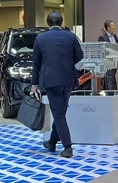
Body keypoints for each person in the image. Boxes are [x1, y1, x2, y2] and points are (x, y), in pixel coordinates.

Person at [32, 11, 84, 159]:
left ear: (47, 23)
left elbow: (36, 63)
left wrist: (34, 83)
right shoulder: (71, 36)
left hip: (50, 80)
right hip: (68, 79)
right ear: (61, 22)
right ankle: (52, 142)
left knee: (59, 114)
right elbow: (79, 55)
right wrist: (67, 63)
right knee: (60, 112)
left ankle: (67, 147)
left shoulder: (40, 39)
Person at [98, 20, 118, 90]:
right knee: (110, 77)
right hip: (108, 61)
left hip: (116, 60)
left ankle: (114, 92)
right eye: (112, 26)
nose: (114, 27)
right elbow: (101, 50)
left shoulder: (114, 36)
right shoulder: (102, 37)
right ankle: (111, 93)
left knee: (112, 77)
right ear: (108, 28)